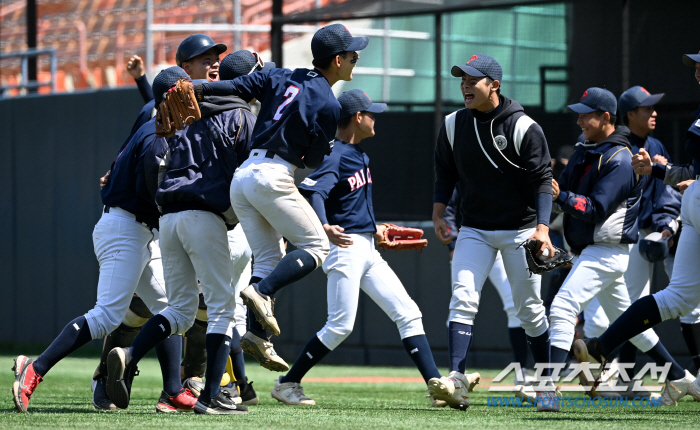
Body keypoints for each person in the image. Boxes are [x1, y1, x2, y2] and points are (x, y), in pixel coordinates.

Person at [11, 68, 197, 414]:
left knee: (169, 306)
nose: (193, 98)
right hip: (126, 228)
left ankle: (172, 390)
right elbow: (157, 197)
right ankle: (34, 369)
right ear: (170, 98)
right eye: (186, 92)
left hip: (138, 228)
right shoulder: (158, 136)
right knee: (106, 316)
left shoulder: (156, 129)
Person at [269, 89, 448, 408]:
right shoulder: (335, 154)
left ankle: (435, 386)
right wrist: (323, 226)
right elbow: (313, 193)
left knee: (408, 313)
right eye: (371, 113)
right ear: (357, 118)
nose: (375, 118)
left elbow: (349, 201)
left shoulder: (361, 155)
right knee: (340, 324)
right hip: (344, 248)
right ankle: (287, 383)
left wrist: (373, 227)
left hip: (366, 248)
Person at [192, 23, 369, 339]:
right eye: (352, 53)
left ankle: (255, 336)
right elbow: (314, 161)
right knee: (316, 246)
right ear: (337, 60)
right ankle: (263, 292)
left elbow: (235, 86)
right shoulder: (329, 104)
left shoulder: (281, 75)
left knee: (269, 259)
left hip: (243, 178)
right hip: (272, 177)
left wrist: (194, 87)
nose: (356, 56)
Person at [104, 65, 256, 415]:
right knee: (221, 309)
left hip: (168, 219)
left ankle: (128, 355)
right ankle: (210, 397)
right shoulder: (236, 115)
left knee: (179, 311)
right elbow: (251, 171)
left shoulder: (175, 125)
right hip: (204, 216)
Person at [549, 87, 693, 409]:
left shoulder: (620, 158)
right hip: (595, 250)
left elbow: (595, 209)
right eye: (579, 113)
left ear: (606, 118)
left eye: (587, 114)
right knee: (633, 327)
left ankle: (547, 386)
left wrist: (559, 197)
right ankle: (681, 376)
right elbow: (567, 193)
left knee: (562, 308)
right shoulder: (585, 149)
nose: (580, 120)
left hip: (608, 250)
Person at [430, 53, 555, 411]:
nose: (465, 85)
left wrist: (543, 229)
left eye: (473, 80)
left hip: (521, 230)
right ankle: (456, 377)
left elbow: (543, 181)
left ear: (494, 85)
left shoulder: (523, 127)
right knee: (463, 297)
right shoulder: (453, 123)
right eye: (462, 79)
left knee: (530, 310)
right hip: (475, 228)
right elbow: (445, 173)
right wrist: (439, 213)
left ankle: (546, 383)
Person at [578, 86, 684, 375]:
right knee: (618, 313)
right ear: (630, 114)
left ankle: (621, 376)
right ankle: (617, 375)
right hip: (617, 238)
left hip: (648, 235)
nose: (654, 113)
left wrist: (665, 228)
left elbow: (668, 195)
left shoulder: (656, 146)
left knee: (633, 310)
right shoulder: (612, 144)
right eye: (647, 108)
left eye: (653, 107)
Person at [443, 185, 534, 390]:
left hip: (506, 241)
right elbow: (447, 209)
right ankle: (456, 374)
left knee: (516, 305)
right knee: (461, 304)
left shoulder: (512, 164)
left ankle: (522, 370)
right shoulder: (467, 167)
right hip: (472, 242)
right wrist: (453, 244)